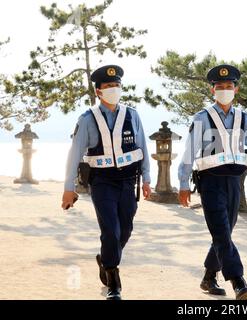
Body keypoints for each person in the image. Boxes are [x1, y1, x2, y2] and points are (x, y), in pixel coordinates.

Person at [178, 64, 247, 300]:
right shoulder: (202, 118)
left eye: (229, 86)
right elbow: (188, 153)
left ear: (236, 89)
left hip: (234, 181)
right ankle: (238, 281)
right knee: (222, 234)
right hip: (210, 183)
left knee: (225, 232)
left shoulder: (244, 118)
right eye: (220, 87)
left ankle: (208, 277)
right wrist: (183, 183)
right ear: (212, 90)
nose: (224, 90)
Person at [61, 65, 151, 300]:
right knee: (110, 230)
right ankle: (113, 280)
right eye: (108, 86)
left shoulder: (132, 115)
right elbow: (74, 154)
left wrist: (147, 179)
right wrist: (68, 189)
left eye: (116, 85)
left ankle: (105, 259)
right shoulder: (87, 119)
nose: (113, 89)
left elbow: (143, 147)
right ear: (98, 92)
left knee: (126, 229)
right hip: (102, 182)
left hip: (128, 181)